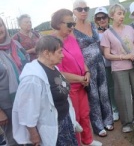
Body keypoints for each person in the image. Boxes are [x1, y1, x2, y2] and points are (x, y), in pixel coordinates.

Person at [12, 35, 79, 145]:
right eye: (59, 52)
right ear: (46, 53)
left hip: (63, 121)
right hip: (52, 127)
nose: (62, 56)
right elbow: (27, 110)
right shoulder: (32, 78)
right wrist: (34, 135)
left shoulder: (53, 67)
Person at [51, 9, 101, 146]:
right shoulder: (52, 44)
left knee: (85, 114)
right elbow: (58, 72)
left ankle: (88, 140)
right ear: (58, 23)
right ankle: (77, 143)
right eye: (69, 24)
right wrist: (80, 79)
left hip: (81, 85)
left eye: (73, 24)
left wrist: (87, 73)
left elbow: (80, 59)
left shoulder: (71, 39)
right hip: (69, 88)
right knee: (75, 118)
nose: (72, 27)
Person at [101, 3, 134, 133]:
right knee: (124, 96)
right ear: (112, 16)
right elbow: (106, 54)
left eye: (123, 13)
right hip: (119, 69)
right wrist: (124, 56)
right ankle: (126, 122)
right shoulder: (107, 34)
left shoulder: (130, 29)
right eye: (119, 14)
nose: (122, 16)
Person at [73, 0, 114, 137]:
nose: (83, 11)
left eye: (86, 8)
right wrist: (83, 70)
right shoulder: (72, 30)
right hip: (87, 67)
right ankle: (98, 125)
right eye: (80, 9)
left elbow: (99, 44)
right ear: (74, 11)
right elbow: (75, 52)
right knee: (93, 96)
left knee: (104, 92)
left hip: (100, 63)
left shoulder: (92, 25)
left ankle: (108, 120)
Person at [0, 17, 29, 146]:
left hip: (26, 98)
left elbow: (28, 65)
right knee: (13, 140)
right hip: (7, 107)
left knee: (30, 135)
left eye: (0, 25)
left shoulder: (15, 44)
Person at [94, 6, 119, 121]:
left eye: (103, 17)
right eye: (99, 18)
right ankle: (113, 108)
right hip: (103, 65)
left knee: (118, 86)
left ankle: (120, 106)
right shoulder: (94, 33)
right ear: (96, 20)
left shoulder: (114, 29)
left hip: (116, 62)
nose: (102, 20)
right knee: (108, 87)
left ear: (108, 18)